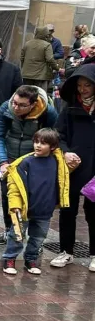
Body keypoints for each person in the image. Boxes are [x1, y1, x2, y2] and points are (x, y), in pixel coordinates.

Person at [0, 85, 58, 245]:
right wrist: (3, 162)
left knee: (36, 197)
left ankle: (35, 240)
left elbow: (54, 137)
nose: (15, 107)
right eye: (14, 102)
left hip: (36, 160)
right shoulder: (6, 108)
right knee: (8, 196)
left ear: (33, 104)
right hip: (11, 158)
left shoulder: (47, 112)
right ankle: (9, 230)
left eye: (21, 105)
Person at [1, 128, 69, 275]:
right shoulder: (26, 162)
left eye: (43, 143)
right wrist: (15, 206)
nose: (38, 145)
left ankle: (31, 259)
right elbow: (14, 188)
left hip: (45, 209)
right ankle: (9, 259)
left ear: (52, 147)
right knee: (17, 235)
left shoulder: (58, 162)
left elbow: (64, 177)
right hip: (25, 208)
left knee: (38, 238)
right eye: (36, 142)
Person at [51, 65, 95, 271]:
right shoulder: (70, 108)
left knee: (93, 210)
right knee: (68, 209)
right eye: (79, 85)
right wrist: (66, 152)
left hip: (94, 167)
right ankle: (65, 251)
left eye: (87, 85)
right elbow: (59, 135)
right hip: (72, 166)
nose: (83, 90)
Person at [20, 26, 58, 90]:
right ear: (45, 34)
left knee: (26, 95)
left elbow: (22, 58)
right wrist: (56, 68)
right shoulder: (47, 45)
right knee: (40, 95)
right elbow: (50, 59)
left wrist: (24, 69)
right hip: (41, 76)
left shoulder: (27, 44)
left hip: (27, 75)